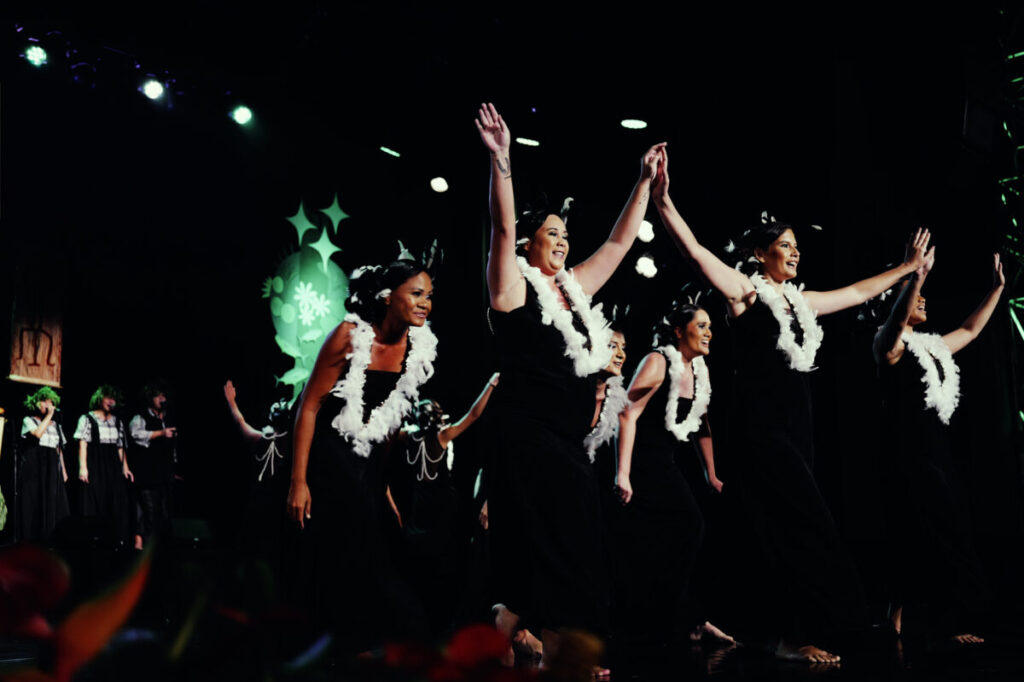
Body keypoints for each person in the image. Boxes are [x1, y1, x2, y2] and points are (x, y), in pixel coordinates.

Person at [652, 146, 931, 663]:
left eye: (797, 246)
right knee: (803, 522)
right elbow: (694, 252)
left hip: (798, 423)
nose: (795, 253)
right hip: (760, 426)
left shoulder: (802, 302)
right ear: (761, 254)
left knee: (789, 526)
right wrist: (663, 201)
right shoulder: (745, 293)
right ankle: (795, 632)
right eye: (785, 246)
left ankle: (794, 629)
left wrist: (909, 269)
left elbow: (856, 291)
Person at [475, 101, 663, 664]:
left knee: (576, 535)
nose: (562, 241)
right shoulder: (511, 287)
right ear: (528, 243)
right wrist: (502, 160)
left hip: (567, 436)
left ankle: (511, 619)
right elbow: (502, 226)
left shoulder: (574, 289)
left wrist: (642, 183)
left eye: (564, 235)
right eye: (550, 233)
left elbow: (618, 246)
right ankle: (556, 640)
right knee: (554, 538)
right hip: (526, 433)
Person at [286, 258, 437, 652]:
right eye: (416, 294)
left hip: (369, 461)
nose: (425, 303)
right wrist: (298, 481)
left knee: (381, 539)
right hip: (328, 451)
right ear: (387, 297)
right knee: (344, 546)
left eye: (429, 296)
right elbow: (309, 407)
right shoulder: (349, 335)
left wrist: (382, 488)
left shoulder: (418, 349)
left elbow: (388, 424)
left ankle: (364, 646)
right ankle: (335, 645)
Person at [873, 249, 1003, 646]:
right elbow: (895, 324)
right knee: (932, 529)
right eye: (914, 294)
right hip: (907, 451)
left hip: (936, 449)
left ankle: (899, 613)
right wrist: (916, 276)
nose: (923, 298)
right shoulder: (887, 343)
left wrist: (997, 290)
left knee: (924, 530)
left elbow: (970, 330)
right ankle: (948, 619)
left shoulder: (931, 346)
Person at [612, 302, 728, 651]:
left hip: (665, 459)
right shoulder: (658, 360)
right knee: (686, 526)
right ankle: (667, 620)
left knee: (677, 535)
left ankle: (686, 618)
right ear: (678, 331)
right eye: (701, 325)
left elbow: (702, 425)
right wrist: (623, 473)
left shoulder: (701, 371)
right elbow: (627, 414)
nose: (709, 332)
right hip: (640, 460)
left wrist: (711, 473)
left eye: (710, 326)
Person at [387, 374, 499, 638]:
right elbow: (472, 415)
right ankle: (439, 623)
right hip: (442, 506)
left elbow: (389, 431)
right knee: (442, 564)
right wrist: (490, 384)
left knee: (421, 565)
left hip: (419, 507)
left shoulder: (407, 437)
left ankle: (422, 620)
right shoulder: (442, 436)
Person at [74, 385, 134, 546]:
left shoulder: (117, 421)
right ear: (100, 399)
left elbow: (120, 447)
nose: (111, 401)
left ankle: (115, 540)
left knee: (115, 501)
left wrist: (125, 468)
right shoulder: (87, 418)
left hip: (113, 466)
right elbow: (83, 443)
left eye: (114, 399)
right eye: (108, 398)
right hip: (95, 464)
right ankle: (93, 540)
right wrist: (83, 467)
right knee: (95, 500)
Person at [18, 386, 70, 542]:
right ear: (36, 403)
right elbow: (37, 434)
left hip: (52, 466)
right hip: (34, 466)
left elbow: (58, 449)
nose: (48, 405)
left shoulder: (57, 426)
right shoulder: (28, 420)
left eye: (51, 402)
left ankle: (52, 540)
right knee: (35, 502)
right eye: (44, 402)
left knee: (54, 503)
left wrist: (63, 470)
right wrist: (49, 416)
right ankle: (32, 541)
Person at [128, 384, 177, 548]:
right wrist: (161, 433)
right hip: (147, 473)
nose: (162, 399)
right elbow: (135, 434)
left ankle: (158, 548)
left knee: (164, 512)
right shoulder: (140, 417)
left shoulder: (168, 417)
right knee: (148, 511)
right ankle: (142, 546)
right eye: (158, 396)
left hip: (164, 473)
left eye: (164, 396)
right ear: (150, 398)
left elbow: (172, 447)